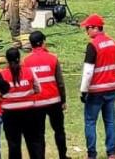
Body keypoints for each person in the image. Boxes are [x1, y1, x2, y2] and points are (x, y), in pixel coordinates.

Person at [24, 31, 69, 159]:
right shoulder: (53, 58)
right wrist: (63, 100)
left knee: (39, 133)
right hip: (54, 101)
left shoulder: (26, 61)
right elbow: (60, 82)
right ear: (43, 42)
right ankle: (63, 155)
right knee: (59, 130)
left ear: (31, 44)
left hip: (37, 103)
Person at [79, 14, 115, 159]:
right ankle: (111, 153)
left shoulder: (93, 45)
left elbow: (88, 71)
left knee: (90, 122)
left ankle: (91, 154)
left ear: (95, 28)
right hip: (111, 88)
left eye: (88, 28)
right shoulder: (113, 43)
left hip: (96, 90)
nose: (87, 32)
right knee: (110, 121)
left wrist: (83, 91)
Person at [0, 48, 43, 159]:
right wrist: (28, 92)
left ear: (7, 60)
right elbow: (38, 89)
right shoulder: (29, 71)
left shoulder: (2, 75)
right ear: (20, 59)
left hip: (9, 114)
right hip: (29, 112)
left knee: (13, 144)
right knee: (33, 142)